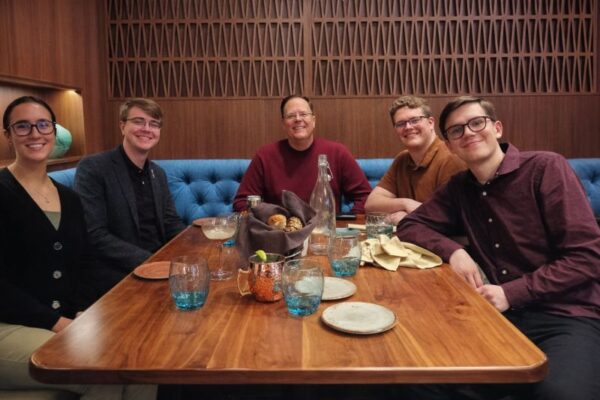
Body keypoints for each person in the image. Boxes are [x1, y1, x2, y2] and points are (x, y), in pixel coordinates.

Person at [397, 96, 600, 400]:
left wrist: (511, 292)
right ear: (450, 146)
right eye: (456, 131)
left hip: (566, 314)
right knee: (415, 378)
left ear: (497, 128)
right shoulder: (459, 187)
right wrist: (454, 251)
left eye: (476, 123)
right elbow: (409, 226)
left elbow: (587, 257)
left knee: (560, 394)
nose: (468, 133)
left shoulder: (546, 167)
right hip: (494, 318)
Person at [0, 96, 155, 399]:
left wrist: (88, 312)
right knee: (101, 371)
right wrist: (59, 323)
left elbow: (81, 264)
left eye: (43, 125)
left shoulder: (68, 199)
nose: (35, 133)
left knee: (144, 359)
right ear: (8, 135)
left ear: (54, 132)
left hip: (58, 322)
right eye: (22, 126)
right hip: (9, 325)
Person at [74, 98, 185, 292]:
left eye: (154, 124)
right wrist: (150, 262)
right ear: (122, 126)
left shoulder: (157, 173)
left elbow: (170, 222)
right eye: (138, 121)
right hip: (115, 273)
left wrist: (194, 247)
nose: (147, 129)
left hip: (160, 269)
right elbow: (95, 234)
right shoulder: (94, 168)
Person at [233, 95, 372, 213]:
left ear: (314, 121)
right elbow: (241, 202)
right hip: (280, 234)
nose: (298, 119)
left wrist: (344, 223)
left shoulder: (337, 152)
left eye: (304, 114)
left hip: (324, 232)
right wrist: (268, 219)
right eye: (291, 116)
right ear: (283, 124)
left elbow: (365, 197)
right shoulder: (264, 156)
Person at [365, 96, 465, 224]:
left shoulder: (452, 157)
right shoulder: (402, 159)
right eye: (401, 123)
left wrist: (407, 217)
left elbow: (450, 218)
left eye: (415, 120)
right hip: (410, 239)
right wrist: (406, 203)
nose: (408, 127)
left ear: (430, 123)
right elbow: (371, 204)